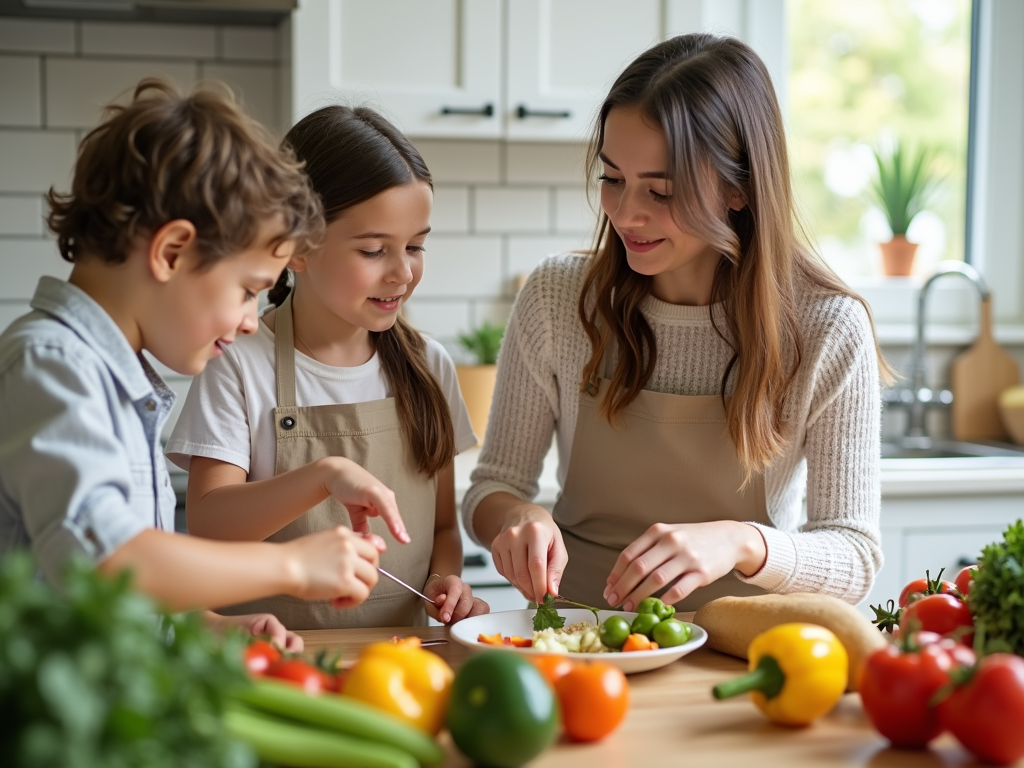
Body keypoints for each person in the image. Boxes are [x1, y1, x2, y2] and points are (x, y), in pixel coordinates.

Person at [465, 33, 887, 613]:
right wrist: (517, 515)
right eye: (611, 179)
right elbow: (491, 487)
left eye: (661, 191)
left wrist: (743, 542)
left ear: (739, 188)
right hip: (579, 637)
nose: (625, 214)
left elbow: (855, 556)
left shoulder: (826, 327)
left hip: (738, 647)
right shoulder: (559, 298)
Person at [0, 80, 408, 651]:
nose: (249, 320)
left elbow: (121, 602)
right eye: (247, 289)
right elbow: (111, 562)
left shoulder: (112, 379)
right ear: (171, 252)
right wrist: (290, 566)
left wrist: (206, 626)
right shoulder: (50, 366)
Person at [167, 106, 488, 630]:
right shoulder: (239, 364)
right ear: (297, 249)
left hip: (401, 664)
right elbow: (209, 529)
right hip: (273, 663)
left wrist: (445, 583)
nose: (403, 272)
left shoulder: (429, 366)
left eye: (415, 246)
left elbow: (444, 531)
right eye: (373, 250)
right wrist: (320, 477)